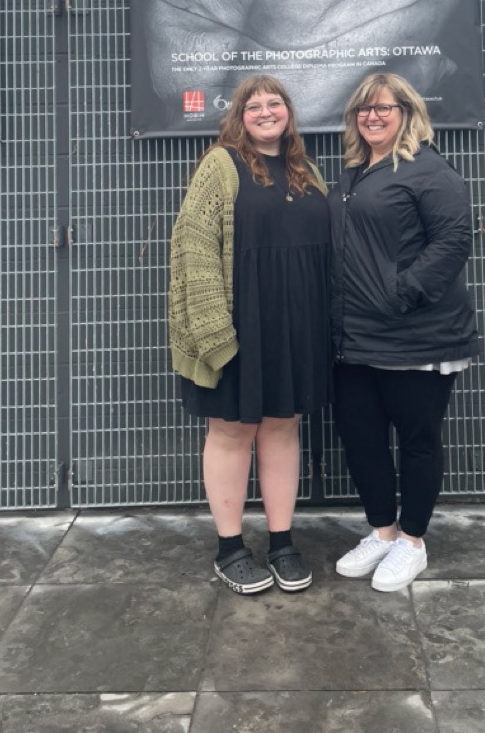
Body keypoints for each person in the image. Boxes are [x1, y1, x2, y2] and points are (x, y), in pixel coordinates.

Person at [168, 74, 331, 594]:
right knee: (231, 433)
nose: (265, 112)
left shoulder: (307, 170)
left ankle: (282, 542)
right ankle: (230, 548)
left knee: (282, 428)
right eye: (254, 105)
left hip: (296, 326)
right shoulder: (221, 165)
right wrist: (213, 330)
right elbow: (193, 247)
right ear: (239, 116)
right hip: (237, 325)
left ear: (289, 112)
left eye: (274, 103)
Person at [328, 72, 479, 592]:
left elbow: (454, 239)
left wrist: (401, 295)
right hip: (356, 338)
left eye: (383, 108)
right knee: (361, 437)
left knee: (417, 440)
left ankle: (412, 542)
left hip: (417, 335)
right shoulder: (355, 172)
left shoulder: (429, 170)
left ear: (407, 113)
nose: (372, 117)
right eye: (363, 110)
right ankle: (383, 532)